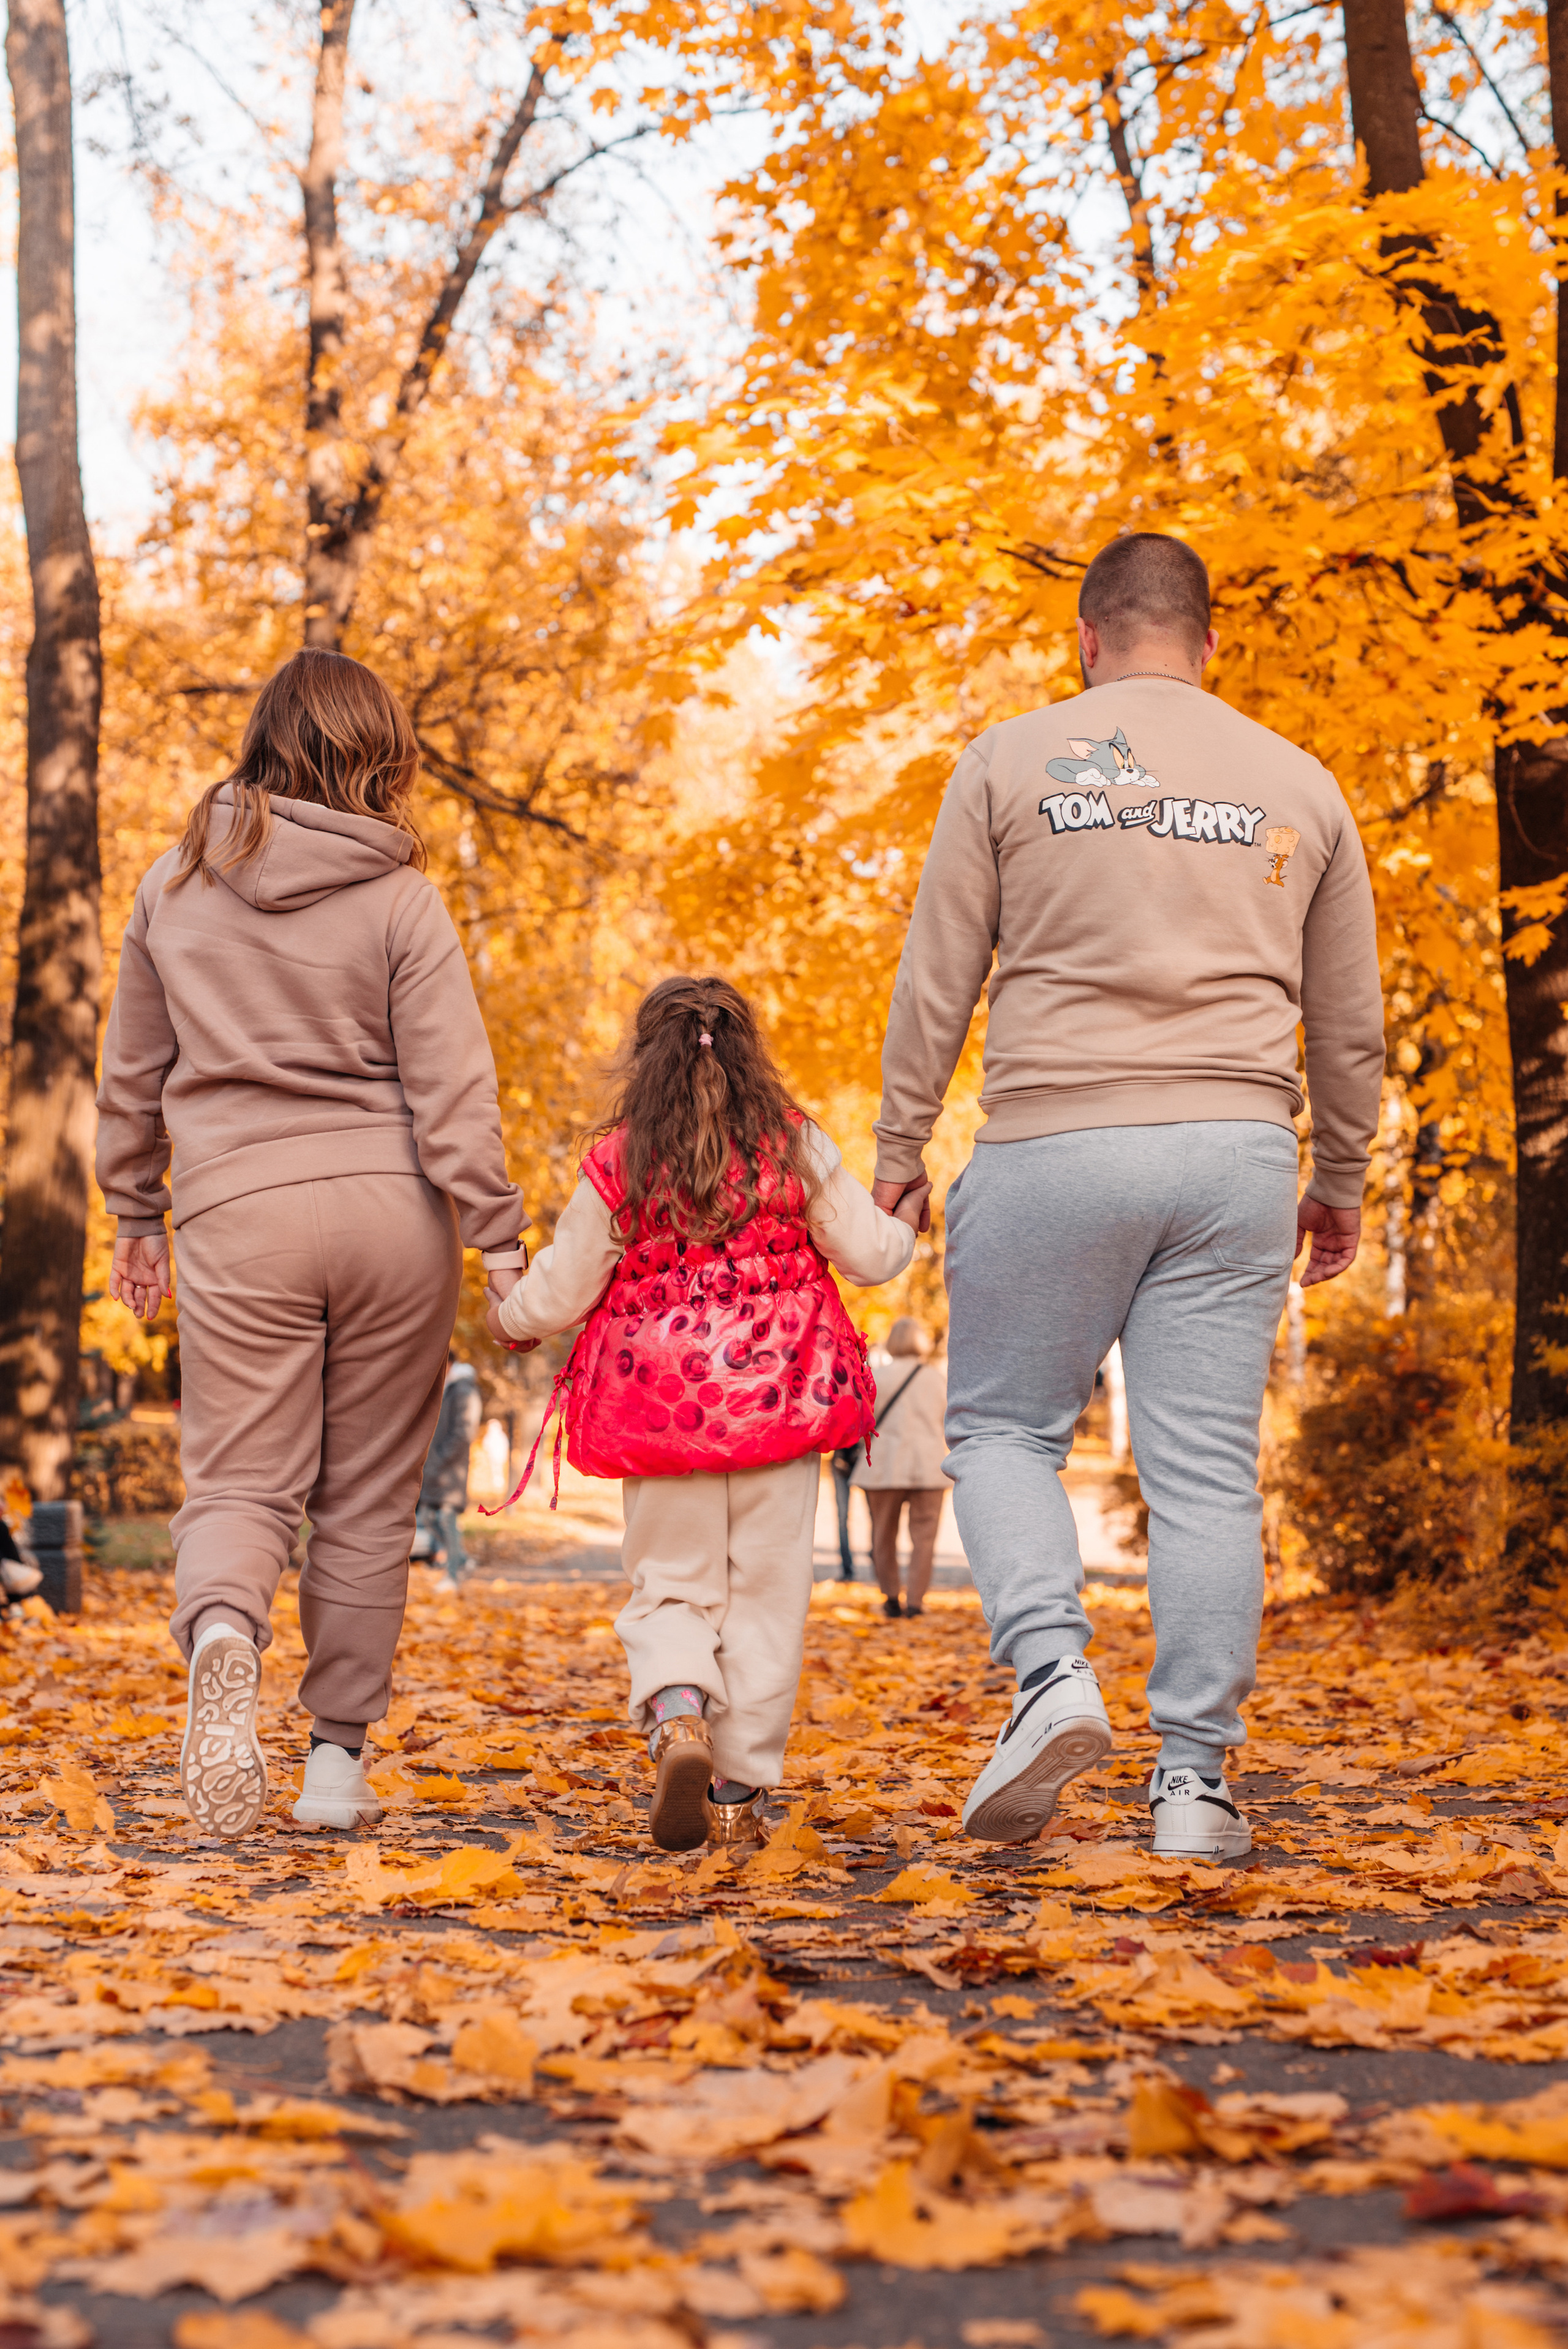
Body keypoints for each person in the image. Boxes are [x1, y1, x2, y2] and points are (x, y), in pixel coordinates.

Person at [870, 535, 1383, 1858]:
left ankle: (1051, 1673)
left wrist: (899, 1148)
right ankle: (1196, 1786)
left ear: (1087, 641)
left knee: (1001, 1431)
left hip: (1055, 1140)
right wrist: (1337, 1179)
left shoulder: (1006, 762)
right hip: (1234, 1157)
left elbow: (936, 978)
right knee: (1204, 1474)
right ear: (1209, 644)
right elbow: (1349, 1023)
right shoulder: (1300, 783)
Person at [97, 649, 527, 1841]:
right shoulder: (401, 898)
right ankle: (334, 1762)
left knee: (240, 1475)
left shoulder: (172, 886)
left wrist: (134, 1212)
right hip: (395, 1215)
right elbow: (455, 1090)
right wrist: (500, 1241)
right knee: (369, 1498)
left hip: (239, 1214)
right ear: (376, 758)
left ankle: (223, 1629)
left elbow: (132, 1074)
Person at [486, 976, 922, 1852]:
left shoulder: (623, 1159)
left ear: (646, 1058)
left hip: (658, 1407)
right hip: (780, 1401)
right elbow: (872, 1256)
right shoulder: (794, 1144)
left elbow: (564, 1285)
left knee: (670, 1579)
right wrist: (905, 1220)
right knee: (768, 1594)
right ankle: (736, 1790)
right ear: (748, 1050)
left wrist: (511, 1316)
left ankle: (680, 1706)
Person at [851, 1316, 951, 1618]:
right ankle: (916, 1601)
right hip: (929, 1467)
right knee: (925, 1539)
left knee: (883, 1535)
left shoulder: (877, 1377)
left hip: (885, 1467)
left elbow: (861, 1418)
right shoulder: (938, 1379)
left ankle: (891, 1597)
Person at [418, 1352, 484, 1591]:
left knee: (447, 1520)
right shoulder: (447, 1387)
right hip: (435, 1467)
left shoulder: (463, 1389)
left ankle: (453, 1576)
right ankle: (463, 1561)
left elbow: (464, 1432)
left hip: (451, 1469)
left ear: (448, 1363)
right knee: (427, 1517)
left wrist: (440, 1458)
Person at [830, 1442, 861, 1580]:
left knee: (876, 1517)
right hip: (841, 1459)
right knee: (842, 1518)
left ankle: (878, 1565)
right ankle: (847, 1569)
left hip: (864, 1458)